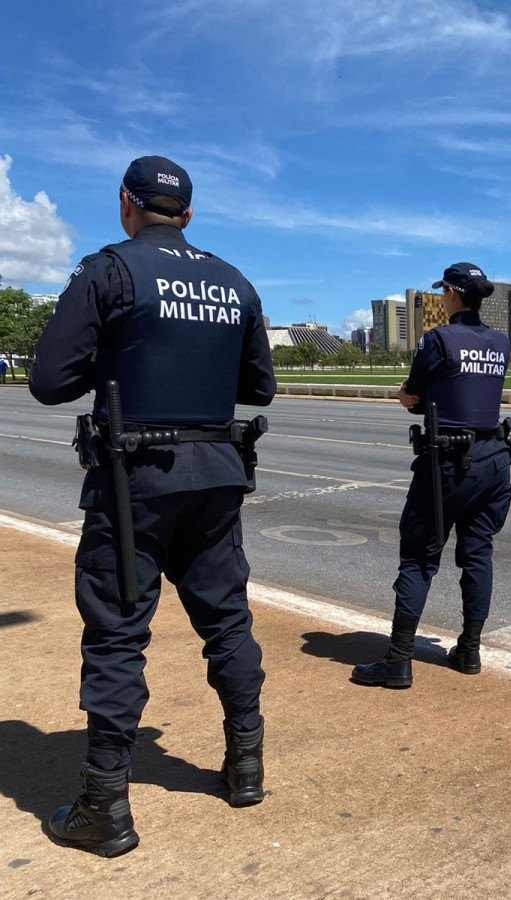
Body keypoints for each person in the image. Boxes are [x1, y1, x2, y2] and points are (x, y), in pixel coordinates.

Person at [28, 156, 276, 856]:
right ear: (189, 215)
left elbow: (49, 381)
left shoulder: (108, 270)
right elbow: (260, 387)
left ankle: (105, 806)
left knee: (116, 634)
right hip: (218, 473)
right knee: (227, 620)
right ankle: (245, 766)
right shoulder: (234, 281)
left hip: (134, 481)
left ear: (125, 204)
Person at [353, 262, 511, 690]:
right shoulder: (501, 342)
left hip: (446, 462)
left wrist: (407, 398)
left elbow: (413, 393)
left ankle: (399, 660)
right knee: (478, 555)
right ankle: (470, 651)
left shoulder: (438, 340)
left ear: (451, 293)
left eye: (443, 291)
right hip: (493, 459)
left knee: (420, 558)